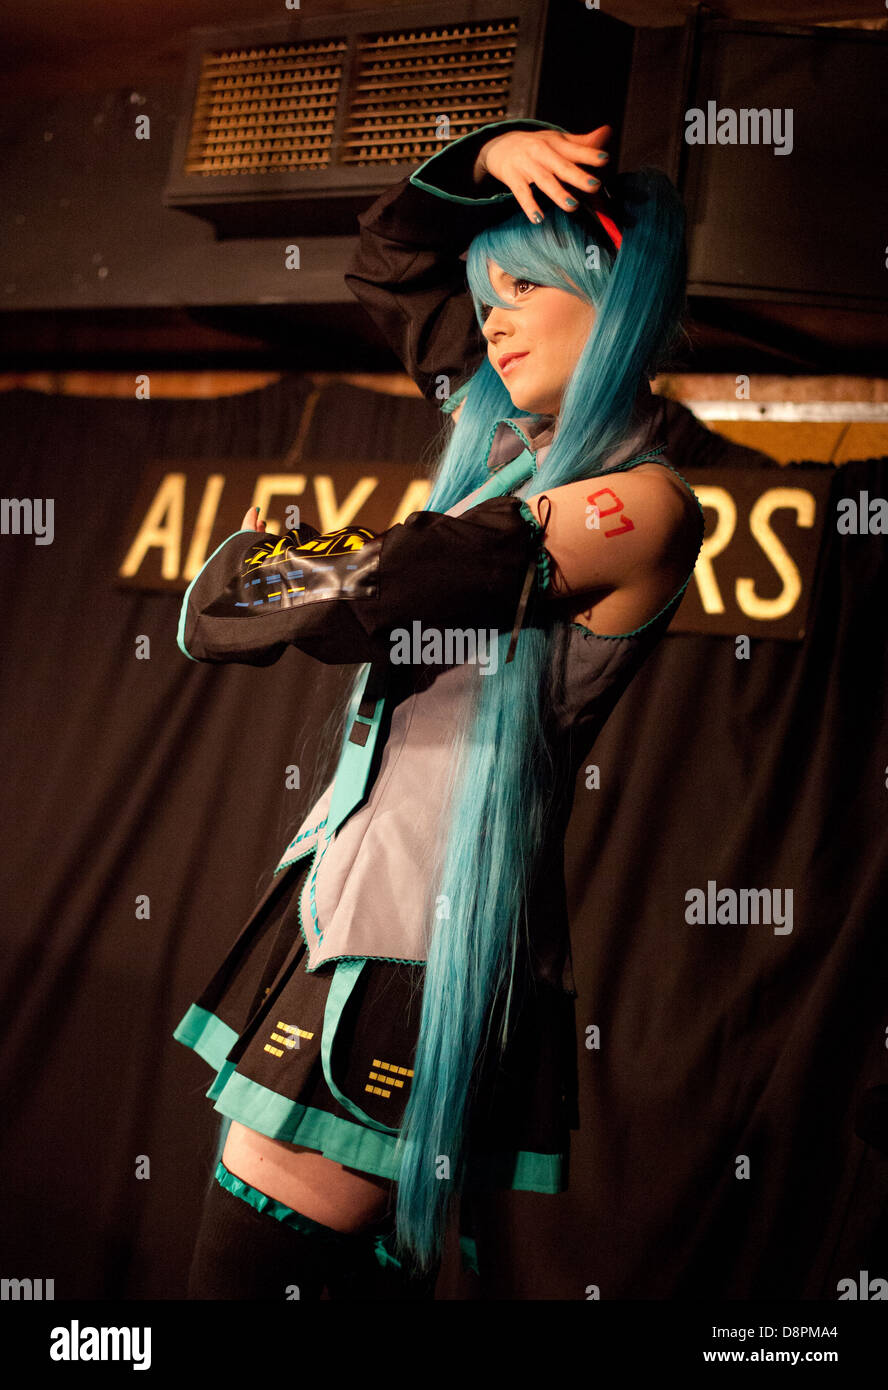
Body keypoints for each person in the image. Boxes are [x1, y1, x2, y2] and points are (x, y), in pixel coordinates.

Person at [173, 117, 705, 1300]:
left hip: (427, 944)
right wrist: (484, 160)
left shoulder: (648, 502)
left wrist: (273, 572)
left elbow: (393, 582)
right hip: (352, 900)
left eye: (527, 286)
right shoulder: (515, 440)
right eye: (488, 290)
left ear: (611, 298)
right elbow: (392, 263)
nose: (496, 317)